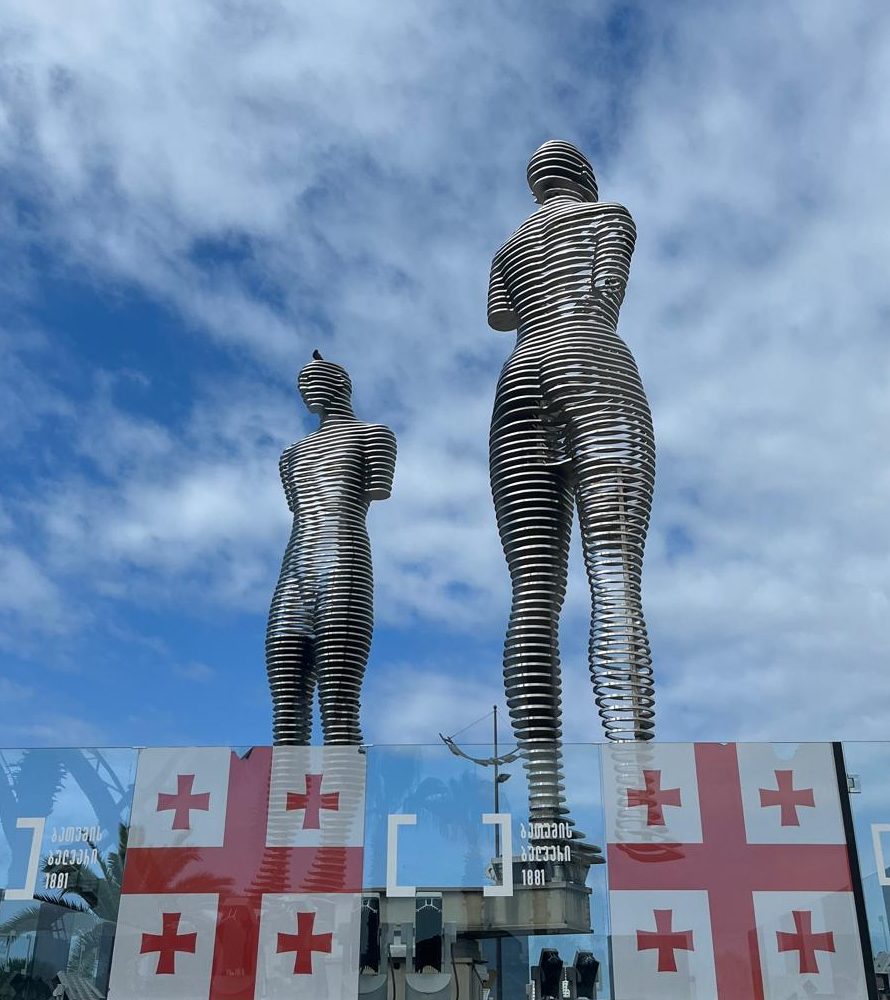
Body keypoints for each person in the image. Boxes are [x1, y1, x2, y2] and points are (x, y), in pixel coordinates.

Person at [488, 140, 656, 827]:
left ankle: (546, 808)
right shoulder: (609, 216)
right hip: (592, 360)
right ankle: (637, 796)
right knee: (613, 574)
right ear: (583, 176)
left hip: (517, 380)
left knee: (533, 593)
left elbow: (501, 315)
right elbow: (606, 292)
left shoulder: (508, 248)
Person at [266, 351, 396, 745]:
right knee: (286, 700)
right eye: (301, 384)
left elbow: (378, 490)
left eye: (313, 380)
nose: (306, 390)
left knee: (339, 700)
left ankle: (342, 786)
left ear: (341, 384)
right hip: (294, 568)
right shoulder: (290, 455)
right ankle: (284, 786)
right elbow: (298, 508)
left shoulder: (374, 436)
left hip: (344, 559)